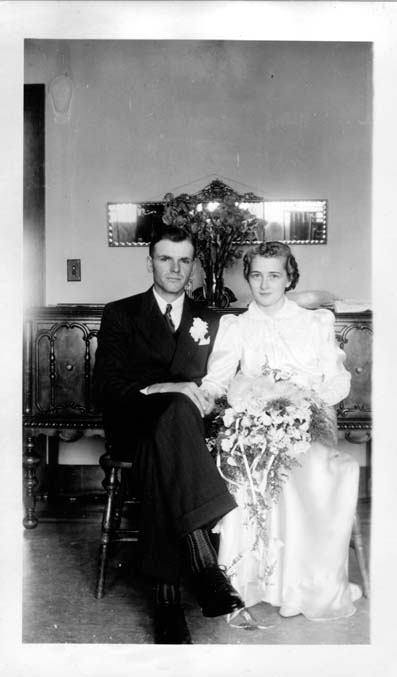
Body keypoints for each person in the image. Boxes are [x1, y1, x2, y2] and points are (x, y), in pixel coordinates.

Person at [93, 226, 244, 644]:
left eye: (183, 260)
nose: (175, 268)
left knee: (176, 426)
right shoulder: (121, 313)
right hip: (134, 426)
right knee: (174, 413)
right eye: (165, 259)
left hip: (185, 437)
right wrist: (163, 388)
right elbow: (103, 387)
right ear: (150, 263)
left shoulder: (211, 320)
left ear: (193, 264)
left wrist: (200, 398)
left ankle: (165, 597)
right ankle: (203, 565)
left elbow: (216, 388)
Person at [201, 241, 362, 622]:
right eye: (256, 275)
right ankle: (252, 584)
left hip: (309, 424)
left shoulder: (313, 322)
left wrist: (303, 404)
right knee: (248, 466)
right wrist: (208, 399)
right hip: (253, 426)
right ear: (248, 278)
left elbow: (337, 380)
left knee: (308, 471)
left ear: (290, 278)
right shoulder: (236, 326)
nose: (264, 284)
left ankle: (298, 588)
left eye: (274, 275)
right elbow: (218, 380)